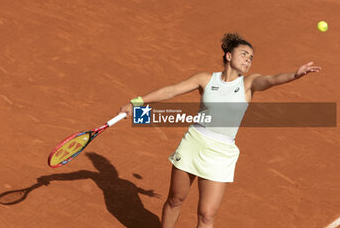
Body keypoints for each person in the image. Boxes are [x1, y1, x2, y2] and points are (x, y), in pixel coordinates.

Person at [119, 33, 321, 228]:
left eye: (251, 58)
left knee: (207, 215)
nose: (248, 60)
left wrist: (294, 75)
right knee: (175, 200)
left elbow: (271, 79)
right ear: (229, 55)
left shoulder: (249, 84)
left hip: (221, 153)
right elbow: (171, 90)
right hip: (193, 143)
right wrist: (137, 102)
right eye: (244, 54)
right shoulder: (205, 79)